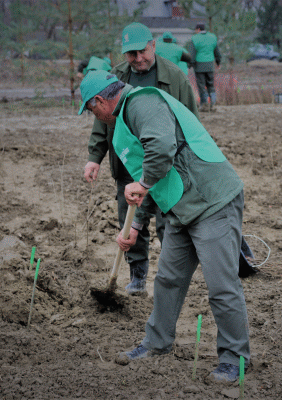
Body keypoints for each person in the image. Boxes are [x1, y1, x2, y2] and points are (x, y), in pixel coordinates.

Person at [79, 70, 250, 383]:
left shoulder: (142, 102)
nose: (95, 116)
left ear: (102, 100)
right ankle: (156, 343)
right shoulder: (121, 130)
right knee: (168, 279)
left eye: (91, 109)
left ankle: (234, 360)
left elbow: (160, 149)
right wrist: (136, 226)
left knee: (221, 286)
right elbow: (145, 183)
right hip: (180, 207)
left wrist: (142, 183)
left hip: (211, 199)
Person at [84, 22, 199, 295]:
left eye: (142, 52)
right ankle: (137, 278)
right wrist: (94, 157)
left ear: (154, 45)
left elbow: (191, 122)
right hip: (127, 162)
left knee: (167, 221)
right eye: (131, 54)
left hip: (164, 167)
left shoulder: (175, 78)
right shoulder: (115, 76)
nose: (137, 59)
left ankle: (170, 280)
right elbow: (103, 120)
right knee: (130, 221)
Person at [188, 23, 221, 112]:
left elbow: (192, 53)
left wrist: (190, 65)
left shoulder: (195, 38)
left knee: (201, 85)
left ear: (198, 29)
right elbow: (217, 51)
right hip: (210, 65)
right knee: (210, 84)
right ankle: (213, 104)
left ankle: (205, 104)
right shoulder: (212, 37)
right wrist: (218, 62)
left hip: (199, 66)